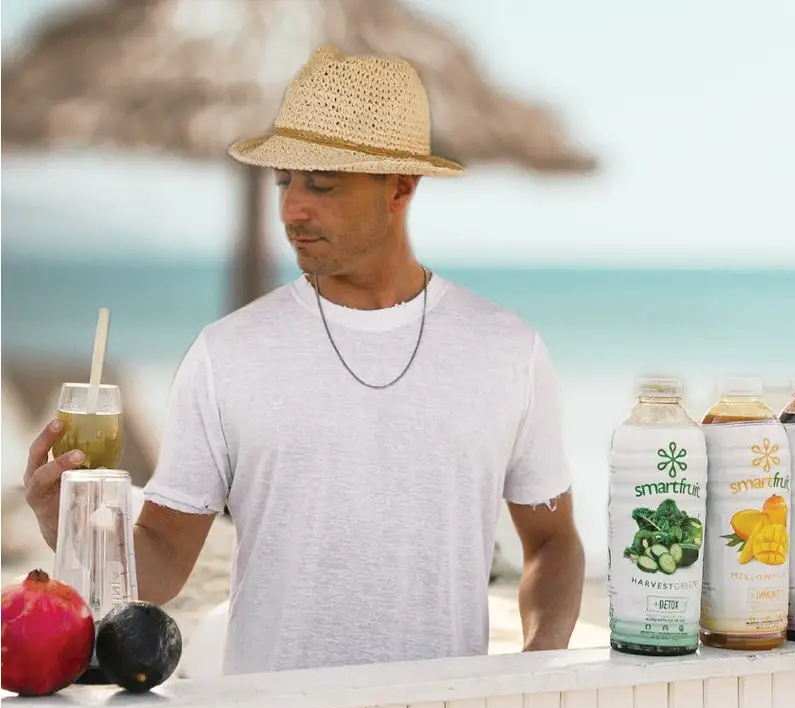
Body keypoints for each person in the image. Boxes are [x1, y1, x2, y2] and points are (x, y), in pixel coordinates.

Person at [23, 45, 584, 675]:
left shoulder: (505, 350)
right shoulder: (226, 354)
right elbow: (160, 563)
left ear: (400, 186)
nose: (292, 209)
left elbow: (552, 542)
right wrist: (64, 526)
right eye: (285, 180)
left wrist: (538, 671)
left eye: (322, 183)